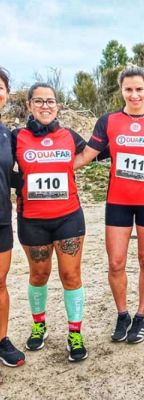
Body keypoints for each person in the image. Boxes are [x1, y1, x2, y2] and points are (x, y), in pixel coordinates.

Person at [74, 64, 144, 344]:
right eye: (128, 89)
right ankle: (122, 314)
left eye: (139, 89)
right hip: (118, 202)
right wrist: (49, 169)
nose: (134, 95)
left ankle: (141, 315)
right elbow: (86, 156)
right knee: (116, 262)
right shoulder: (108, 121)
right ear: (121, 90)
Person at [12, 82, 88, 362]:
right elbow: (4, 167)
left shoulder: (69, 136)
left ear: (57, 105)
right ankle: (39, 325)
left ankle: (75, 333)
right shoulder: (16, 136)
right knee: (38, 275)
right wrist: (20, 182)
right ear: (29, 105)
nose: (45, 106)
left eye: (50, 101)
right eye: (39, 101)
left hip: (68, 216)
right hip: (32, 220)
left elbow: (94, 152)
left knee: (71, 276)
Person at [0, 67, 25, 367]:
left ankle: (2, 339)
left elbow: (12, 175)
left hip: (2, 218)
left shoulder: (7, 134)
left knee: (0, 282)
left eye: (0, 87)